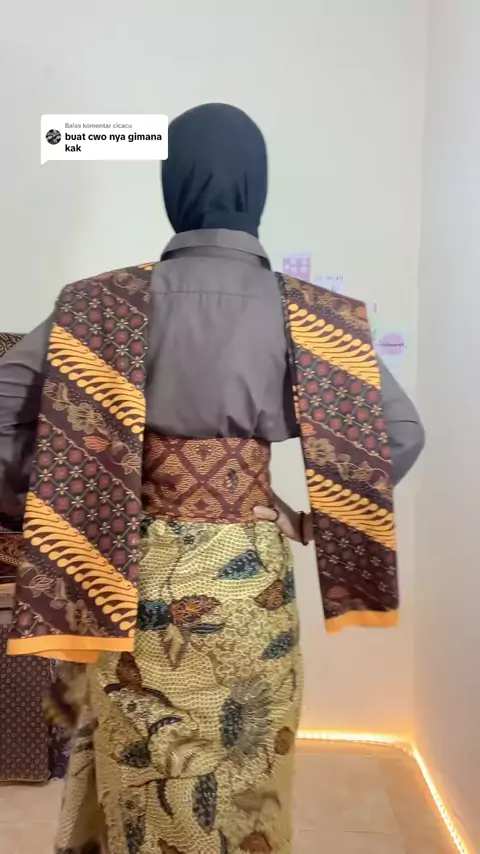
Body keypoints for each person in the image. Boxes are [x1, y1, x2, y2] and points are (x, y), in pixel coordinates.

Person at [0, 103, 424, 854]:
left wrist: (68, 498)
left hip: (128, 565)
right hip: (249, 579)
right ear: (257, 189)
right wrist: (310, 519)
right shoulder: (310, 314)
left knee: (142, 760)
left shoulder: (99, 302)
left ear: (174, 187)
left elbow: (5, 412)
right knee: (244, 766)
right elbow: (399, 432)